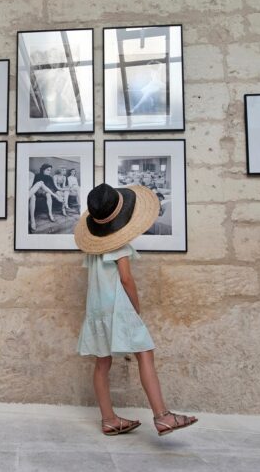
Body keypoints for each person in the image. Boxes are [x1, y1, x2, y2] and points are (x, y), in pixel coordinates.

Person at [74, 184, 198, 437]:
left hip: (97, 308)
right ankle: (163, 416)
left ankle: (108, 419)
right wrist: (136, 308)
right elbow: (126, 279)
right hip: (119, 306)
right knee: (145, 353)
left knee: (102, 362)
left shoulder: (94, 248)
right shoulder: (118, 245)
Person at [29, 163, 63, 231]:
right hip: (37, 191)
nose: (49, 172)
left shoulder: (50, 177)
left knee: (48, 194)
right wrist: (40, 190)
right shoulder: (37, 176)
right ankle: (32, 220)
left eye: (50, 170)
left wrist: (58, 193)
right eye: (47, 170)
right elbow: (33, 186)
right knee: (44, 193)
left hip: (46, 192)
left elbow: (54, 188)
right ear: (43, 170)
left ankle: (50, 214)